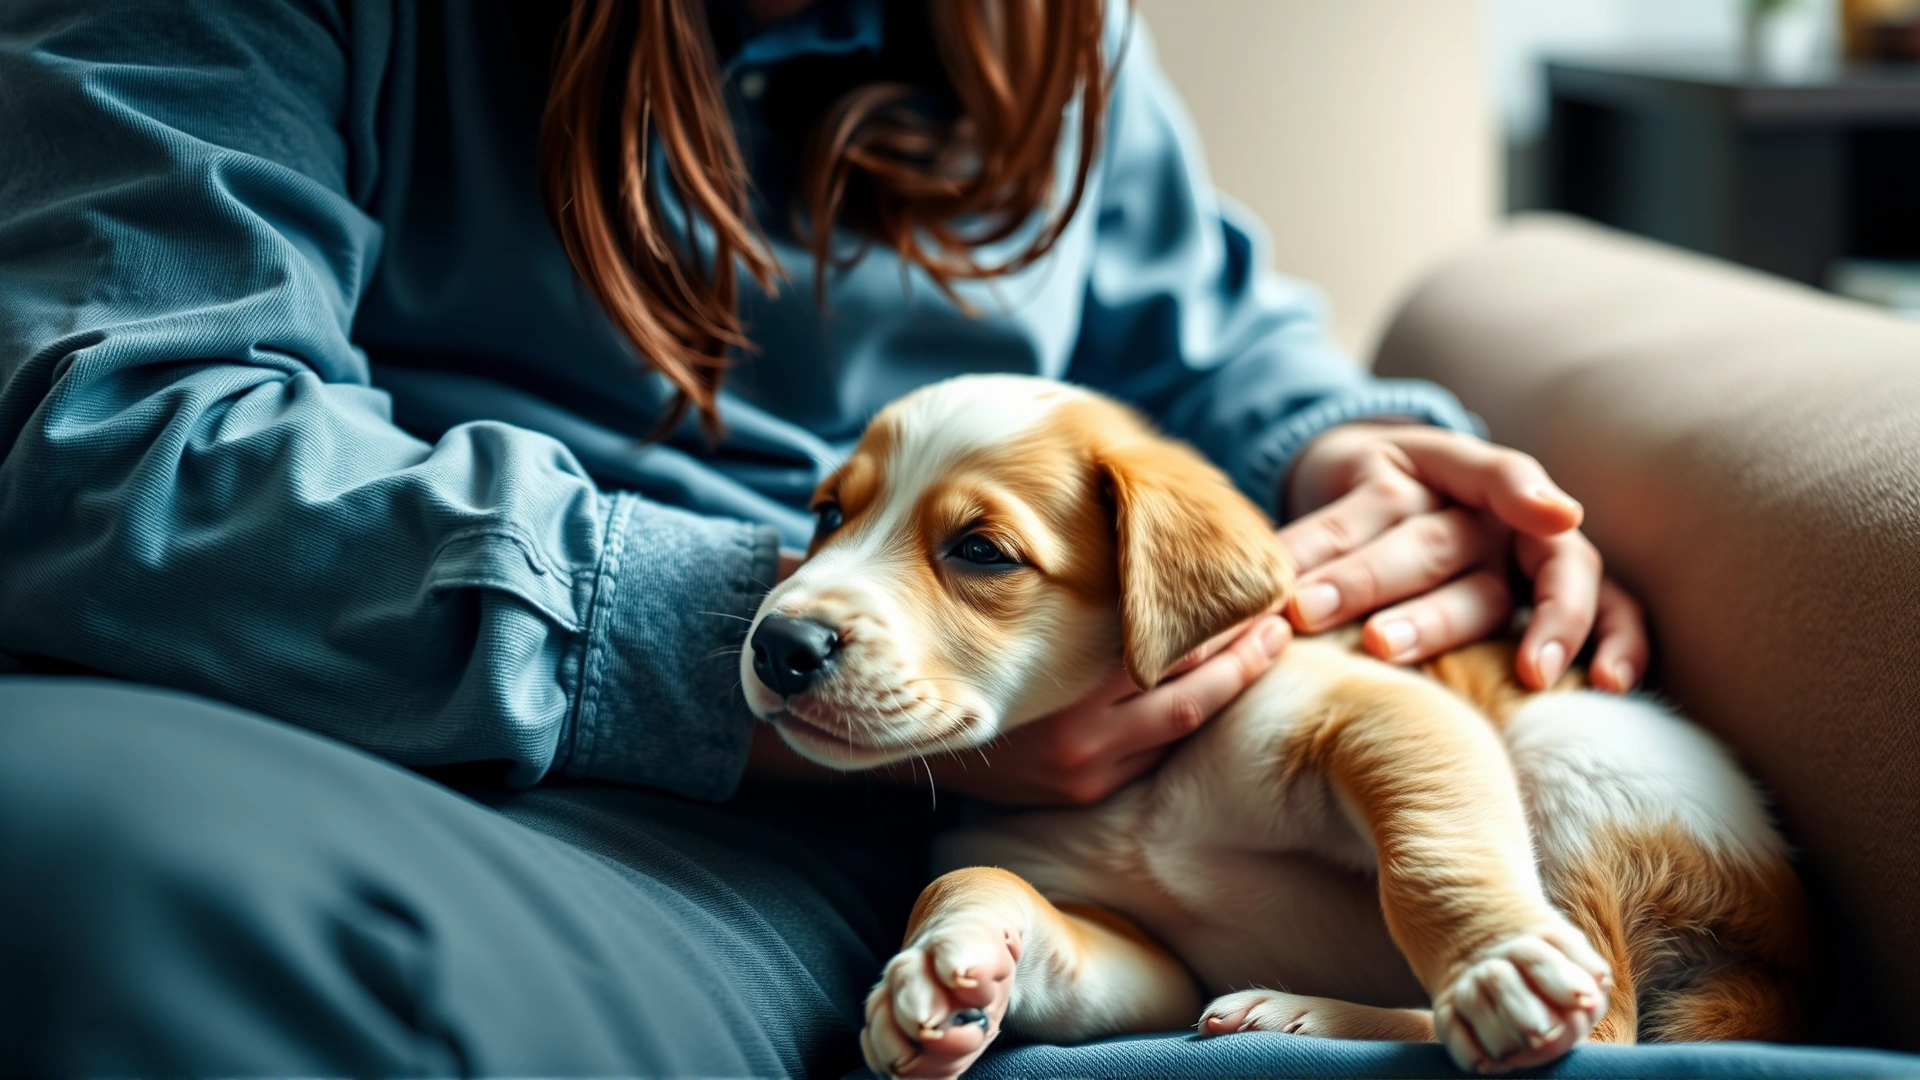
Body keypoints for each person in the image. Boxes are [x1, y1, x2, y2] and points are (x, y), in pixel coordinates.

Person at [0, 0, 1647, 1073]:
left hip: (951, 848)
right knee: (98, 879)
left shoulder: (1053, 41)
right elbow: (102, 432)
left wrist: (1350, 456)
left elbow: (1202, 345)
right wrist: (764, 645)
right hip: (438, 762)